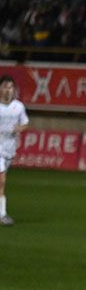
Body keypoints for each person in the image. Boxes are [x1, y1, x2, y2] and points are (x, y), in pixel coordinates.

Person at [0, 75, 30, 227]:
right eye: (5, 86)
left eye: (10, 87)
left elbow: (25, 123)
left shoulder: (18, 107)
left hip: (9, 149)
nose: (7, 90)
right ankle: (2, 215)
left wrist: (19, 128)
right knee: (1, 180)